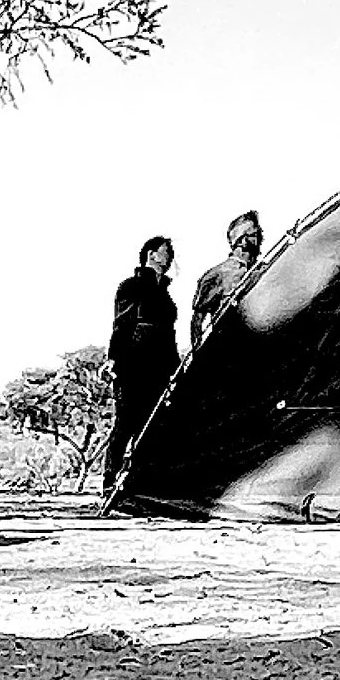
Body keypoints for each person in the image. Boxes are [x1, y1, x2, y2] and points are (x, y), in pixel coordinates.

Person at [103, 234, 179, 492]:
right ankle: (110, 481)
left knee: (152, 426)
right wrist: (114, 359)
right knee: (125, 423)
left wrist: (175, 367)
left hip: (160, 366)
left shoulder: (166, 295)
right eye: (165, 251)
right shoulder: (131, 286)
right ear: (151, 255)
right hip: (133, 364)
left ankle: (140, 485)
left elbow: (169, 334)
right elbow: (122, 324)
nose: (170, 256)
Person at [189, 209, 265, 352]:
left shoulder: (263, 270)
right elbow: (198, 319)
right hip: (230, 350)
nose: (260, 238)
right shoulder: (216, 275)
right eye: (255, 234)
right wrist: (198, 355)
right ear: (242, 240)